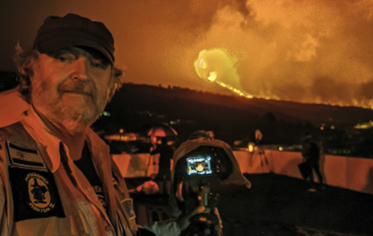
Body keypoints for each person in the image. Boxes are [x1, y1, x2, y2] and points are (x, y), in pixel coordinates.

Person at [0, 13, 205, 236]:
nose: (82, 74)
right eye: (63, 58)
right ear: (31, 71)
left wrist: (179, 228)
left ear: (110, 85)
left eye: (97, 64)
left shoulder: (104, 163)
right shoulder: (4, 163)